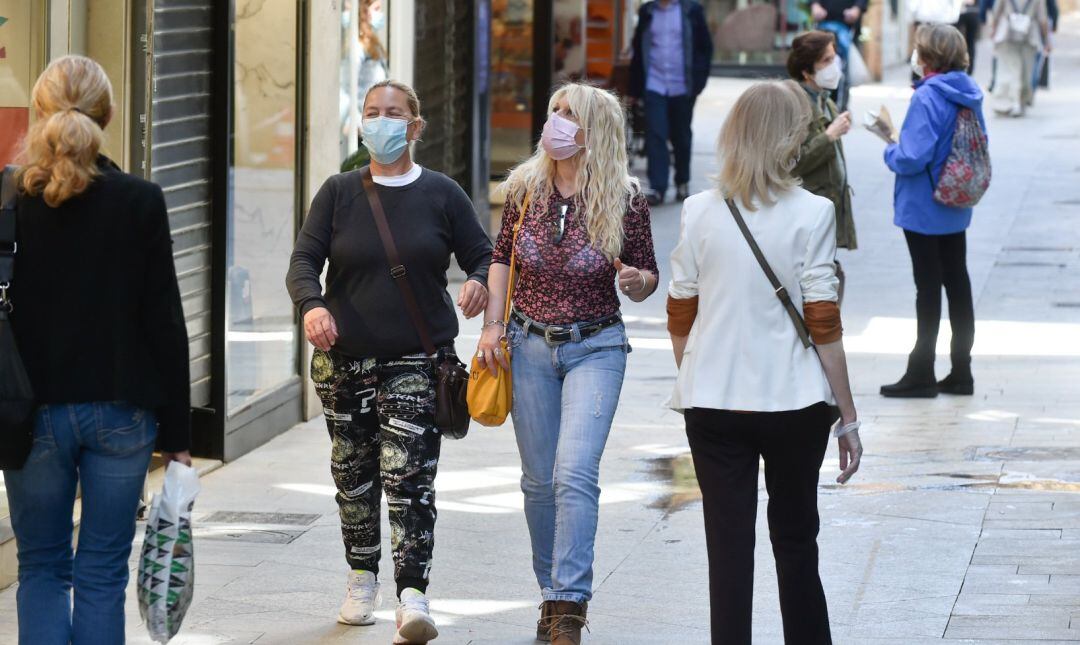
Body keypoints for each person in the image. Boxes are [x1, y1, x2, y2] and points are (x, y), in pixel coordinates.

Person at [286, 79, 492, 644]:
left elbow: (484, 255)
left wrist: (478, 281)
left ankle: (412, 593)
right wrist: (312, 306)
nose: (381, 121)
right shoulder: (338, 192)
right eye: (372, 112)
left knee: (408, 478)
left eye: (393, 113)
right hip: (344, 361)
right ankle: (361, 578)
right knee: (353, 477)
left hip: (417, 362)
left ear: (415, 126)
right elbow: (303, 261)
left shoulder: (442, 193)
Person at [2, 55, 191, 645]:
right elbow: (165, 322)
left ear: (39, 113)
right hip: (122, 411)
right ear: (107, 116)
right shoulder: (141, 200)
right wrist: (179, 436)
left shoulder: (7, 198)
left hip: (28, 414)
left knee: (41, 567)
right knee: (103, 571)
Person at [666, 80, 862, 645]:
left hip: (713, 402)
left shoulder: (699, 210)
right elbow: (823, 321)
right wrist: (848, 416)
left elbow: (680, 310)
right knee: (797, 540)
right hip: (794, 402)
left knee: (727, 549)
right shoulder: (814, 212)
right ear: (790, 138)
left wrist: (694, 372)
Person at [475, 83, 658, 645]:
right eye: (553, 110)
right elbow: (501, 257)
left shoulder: (626, 198)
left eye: (568, 113)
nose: (555, 120)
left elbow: (647, 274)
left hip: (596, 347)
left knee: (574, 473)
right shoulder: (525, 188)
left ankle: (569, 607)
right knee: (538, 482)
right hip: (527, 345)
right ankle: (550, 592)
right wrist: (492, 325)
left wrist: (638, 281)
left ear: (594, 128)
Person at [881, 24, 987, 398]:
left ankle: (921, 371)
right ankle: (962, 371)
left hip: (924, 204)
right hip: (956, 200)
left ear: (927, 56)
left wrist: (889, 148)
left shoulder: (927, 96)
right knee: (957, 283)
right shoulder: (969, 92)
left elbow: (912, 157)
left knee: (927, 288)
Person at [628, 0, 714, 206]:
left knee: (681, 136)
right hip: (654, 84)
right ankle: (658, 188)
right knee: (655, 135)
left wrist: (698, 83)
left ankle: (682, 181)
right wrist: (635, 89)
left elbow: (705, 48)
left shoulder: (692, 10)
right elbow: (638, 50)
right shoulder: (647, 11)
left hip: (682, 86)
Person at [788, 31, 858, 251]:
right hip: (806, 216)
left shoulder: (825, 100)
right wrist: (829, 136)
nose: (834, 66)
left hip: (826, 209)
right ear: (806, 71)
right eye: (826, 61)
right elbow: (791, 163)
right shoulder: (793, 104)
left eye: (834, 58)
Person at [990, 0, 1050, 116]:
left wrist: (994, 29)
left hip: (1007, 33)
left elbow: (996, 12)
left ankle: (1008, 102)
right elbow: (1042, 18)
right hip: (1029, 35)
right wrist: (1047, 40)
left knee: (1009, 70)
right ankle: (1020, 101)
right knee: (1025, 72)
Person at [811, 0, 867, 111]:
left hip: (845, 31)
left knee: (842, 76)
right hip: (823, 28)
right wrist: (815, 5)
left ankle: (839, 110)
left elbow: (860, 4)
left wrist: (856, 9)